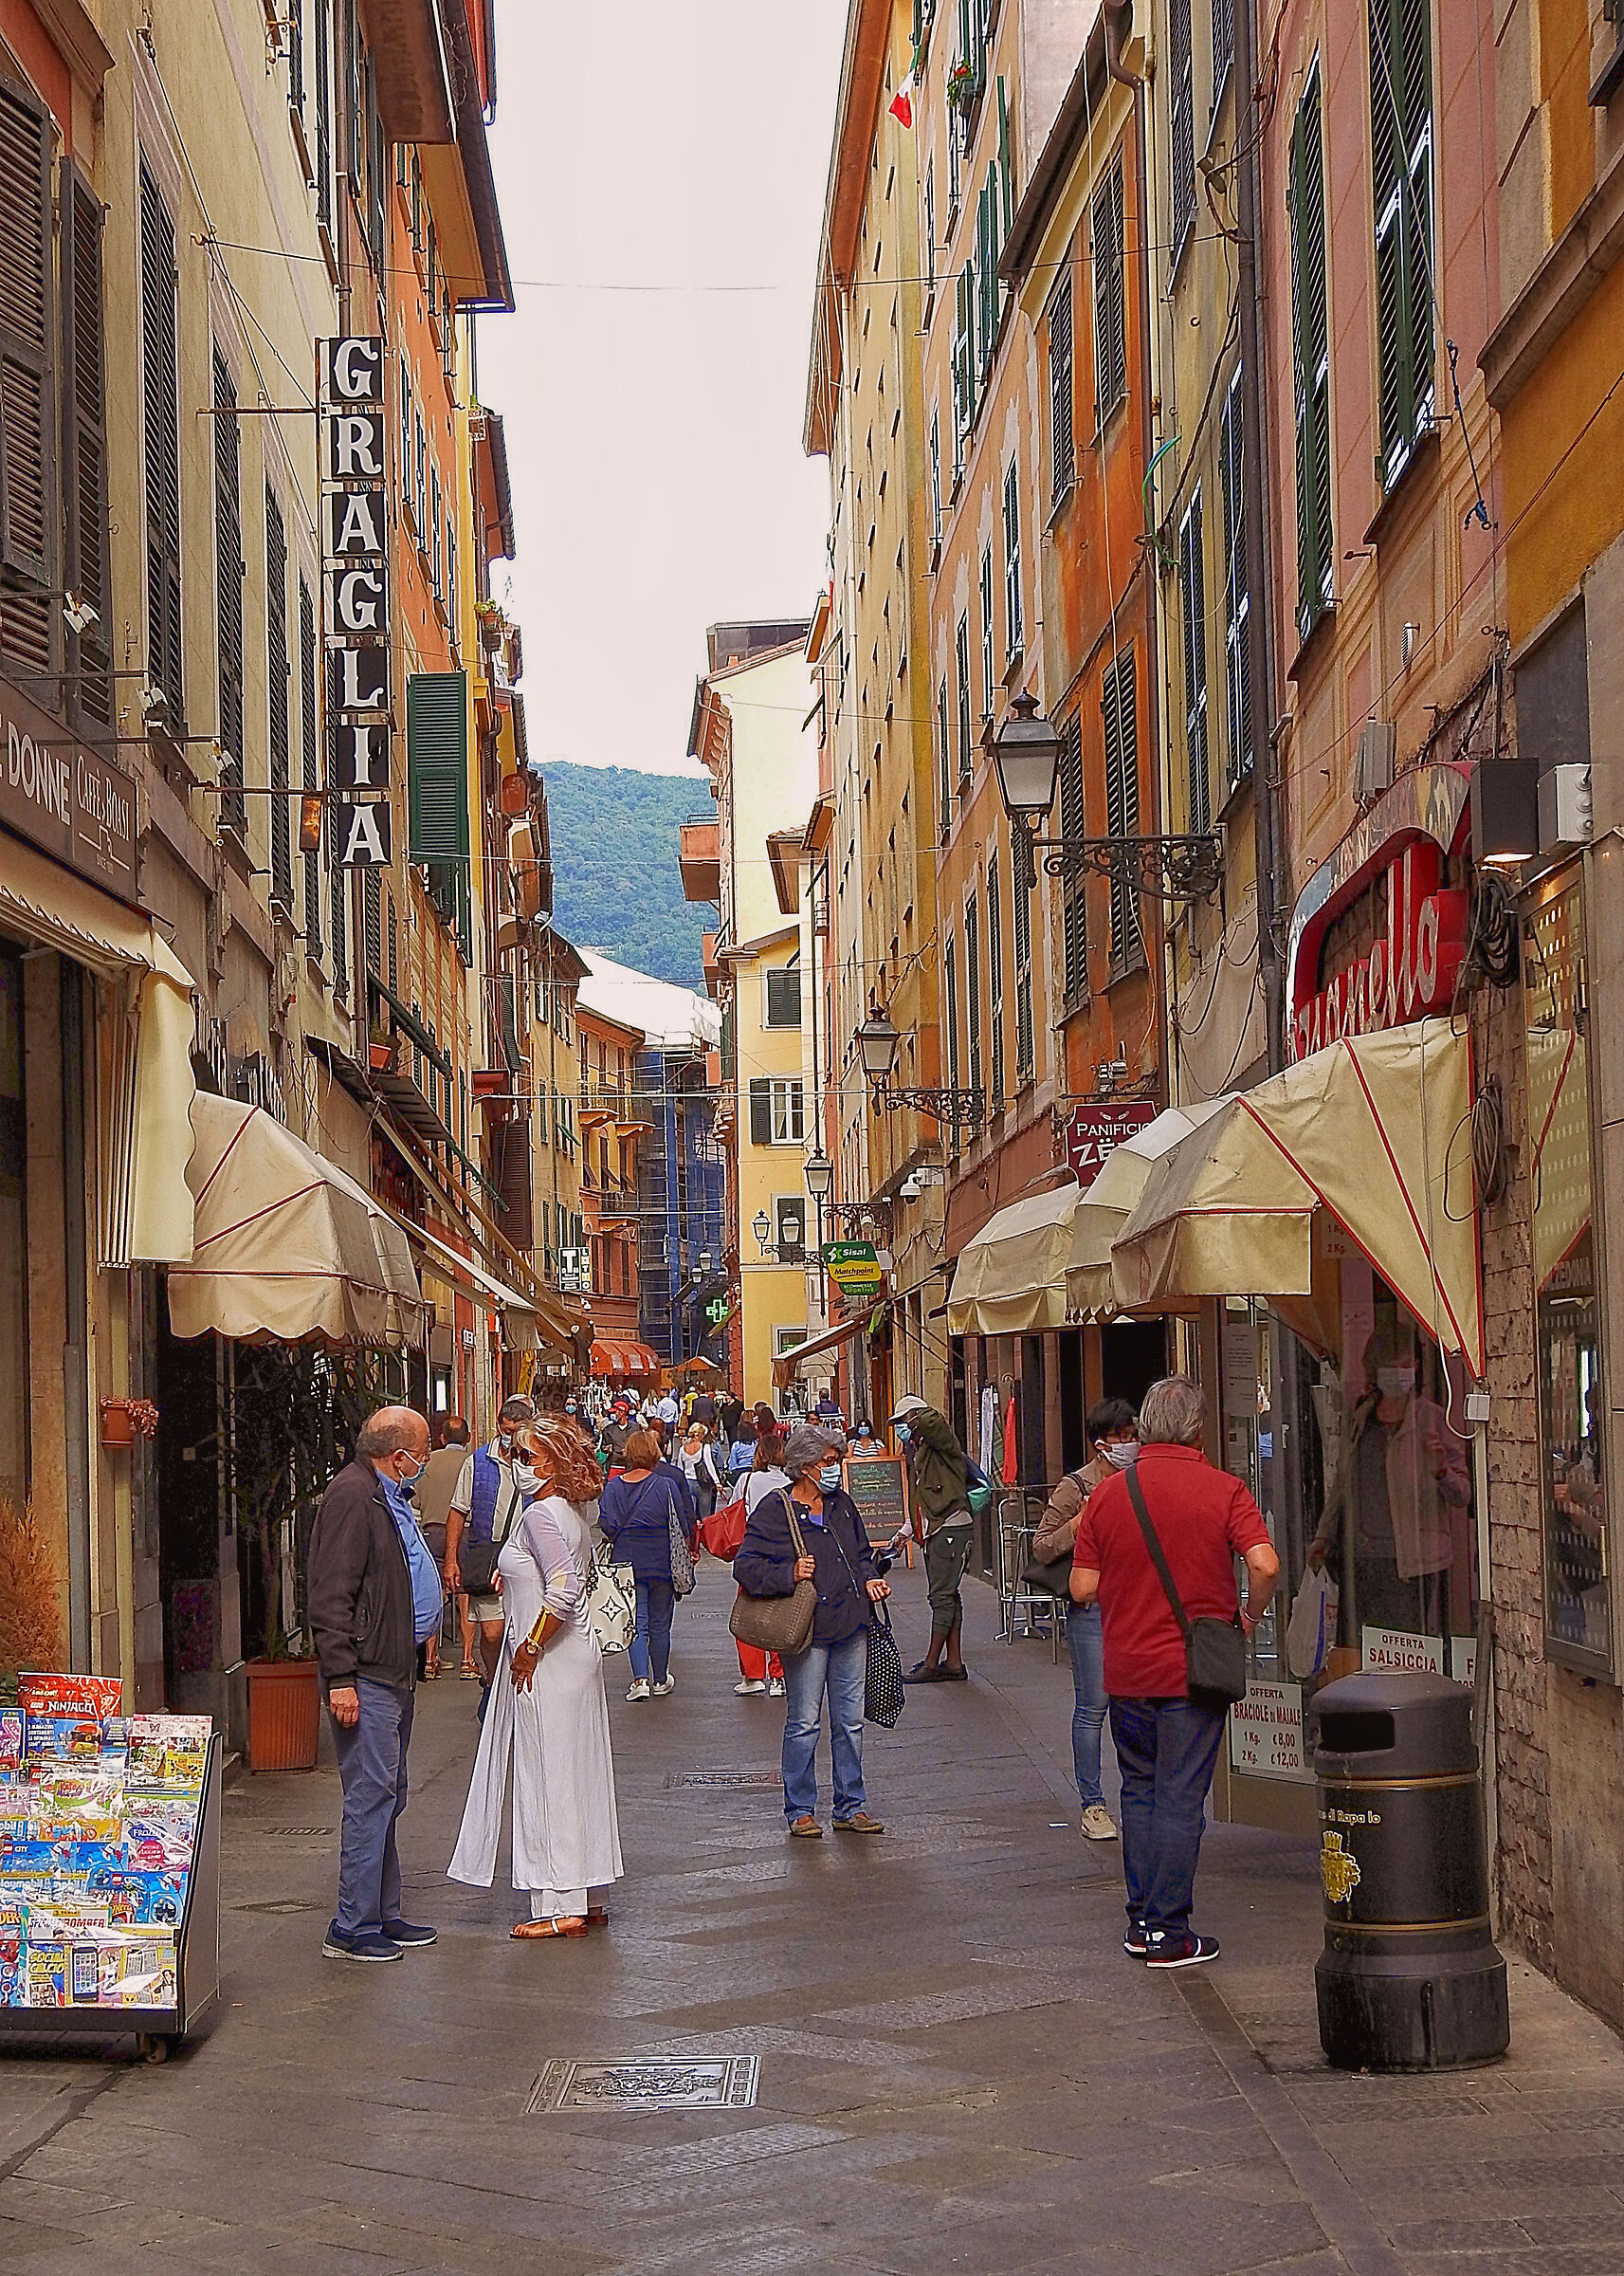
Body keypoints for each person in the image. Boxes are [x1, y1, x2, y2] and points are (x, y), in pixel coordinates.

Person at [1070, 1376, 1280, 1968]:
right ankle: (1169, 1929)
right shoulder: (1224, 1489)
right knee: (1182, 1798)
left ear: (1144, 1429)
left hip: (1128, 1668)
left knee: (1138, 1791)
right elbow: (1265, 1564)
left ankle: (1140, 1921)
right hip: (1193, 1672)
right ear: (1197, 1429)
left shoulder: (1109, 1495)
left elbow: (1082, 1584)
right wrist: (1246, 1617)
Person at [449, 1417, 623, 1938]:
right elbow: (560, 1570)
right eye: (515, 1455)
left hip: (548, 1662)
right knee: (580, 1773)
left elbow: (565, 1587)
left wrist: (528, 1647)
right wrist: (514, 1573)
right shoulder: (570, 1510)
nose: (518, 1465)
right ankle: (585, 1891)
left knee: (547, 1775)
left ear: (553, 1463)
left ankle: (560, 1901)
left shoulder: (542, 1513)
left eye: (527, 1457)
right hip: (574, 1658)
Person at [307, 1406, 442, 1963]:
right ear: (398, 1454)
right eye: (424, 1449)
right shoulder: (353, 1497)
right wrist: (340, 1677)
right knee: (370, 1795)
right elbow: (330, 1592)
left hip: (392, 1668)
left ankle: (383, 1912)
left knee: (389, 1793)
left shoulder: (383, 1494)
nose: (428, 1459)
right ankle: (351, 1925)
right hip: (366, 1674)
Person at [735, 1422, 889, 1837]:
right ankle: (800, 1808)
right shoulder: (775, 1508)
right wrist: (789, 1572)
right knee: (804, 1722)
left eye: (836, 1460)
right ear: (804, 1466)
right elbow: (746, 1566)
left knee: (850, 1721)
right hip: (807, 1631)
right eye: (828, 1461)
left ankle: (850, 1805)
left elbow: (861, 1553)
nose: (835, 1467)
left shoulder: (842, 1505)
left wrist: (870, 1576)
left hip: (851, 1624)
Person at [1308, 1327, 1470, 1643]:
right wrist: (1323, 1536)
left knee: (1405, 1653)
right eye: (1391, 1364)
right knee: (1361, 1652)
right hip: (1362, 1564)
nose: (1399, 1373)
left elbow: (1462, 1495)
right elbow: (1342, 1484)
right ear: (1375, 1369)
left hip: (1414, 1566)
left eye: (1407, 1364)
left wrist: (1440, 1472)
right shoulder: (1361, 1420)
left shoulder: (1434, 1420)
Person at [1033, 1399, 1140, 1842]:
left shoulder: (1142, 1478)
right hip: (1092, 1608)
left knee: (1136, 1705)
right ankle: (1092, 1803)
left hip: (1138, 1606)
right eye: (1120, 1437)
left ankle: (1138, 1797)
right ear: (1101, 1443)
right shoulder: (1075, 1486)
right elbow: (1041, 1547)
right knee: (1094, 1706)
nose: (1129, 1444)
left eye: (1132, 1434)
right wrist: (1079, 1523)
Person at [598, 1428, 697, 1701]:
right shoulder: (666, 1486)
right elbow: (681, 1524)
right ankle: (661, 1678)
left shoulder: (614, 1487)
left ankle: (640, 1680)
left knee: (636, 1624)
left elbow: (606, 1524)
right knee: (660, 1625)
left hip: (626, 1564)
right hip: (661, 1563)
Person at [445, 1396, 534, 1689]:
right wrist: (451, 1560)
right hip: (487, 1557)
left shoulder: (537, 1462)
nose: (509, 1435)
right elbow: (458, 1511)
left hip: (529, 1561)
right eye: (505, 1429)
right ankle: (496, 1684)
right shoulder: (478, 1461)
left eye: (516, 1429)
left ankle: (518, 1683)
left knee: (525, 1629)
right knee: (493, 1633)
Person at [891, 1394, 974, 1682]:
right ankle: (953, 1662)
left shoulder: (942, 1445)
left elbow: (935, 1422)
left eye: (903, 1422)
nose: (902, 1430)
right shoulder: (921, 1450)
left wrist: (917, 1417)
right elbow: (921, 1499)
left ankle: (931, 1662)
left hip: (950, 1526)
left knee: (940, 1597)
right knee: (948, 1595)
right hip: (937, 1529)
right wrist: (907, 1531)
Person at [735, 1420, 790, 1698]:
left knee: (749, 1615)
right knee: (781, 1615)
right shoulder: (791, 1481)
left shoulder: (750, 1480)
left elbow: (740, 1509)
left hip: (754, 1552)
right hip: (784, 1555)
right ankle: (779, 1676)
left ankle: (753, 1675)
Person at [415, 1417, 469, 1679]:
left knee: (433, 1594)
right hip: (465, 1533)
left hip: (433, 1531)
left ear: (442, 1438)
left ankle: (430, 1659)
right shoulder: (473, 1463)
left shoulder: (428, 1463)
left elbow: (413, 1498)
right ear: (468, 1439)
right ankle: (468, 1659)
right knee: (466, 1596)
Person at [677, 1421, 728, 1521]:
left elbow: (680, 1467)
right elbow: (709, 1466)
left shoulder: (683, 1448)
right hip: (702, 1483)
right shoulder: (704, 1447)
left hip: (688, 1482)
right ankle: (704, 1535)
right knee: (705, 1516)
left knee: (691, 1516)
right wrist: (717, 1483)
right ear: (700, 1435)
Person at [598, 1392, 637, 1475]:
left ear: (622, 1412)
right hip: (614, 1466)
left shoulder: (635, 1429)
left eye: (615, 1412)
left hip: (630, 1467)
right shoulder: (608, 1429)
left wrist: (629, 1451)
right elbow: (603, 1446)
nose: (613, 1414)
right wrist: (606, 1449)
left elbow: (640, 1446)